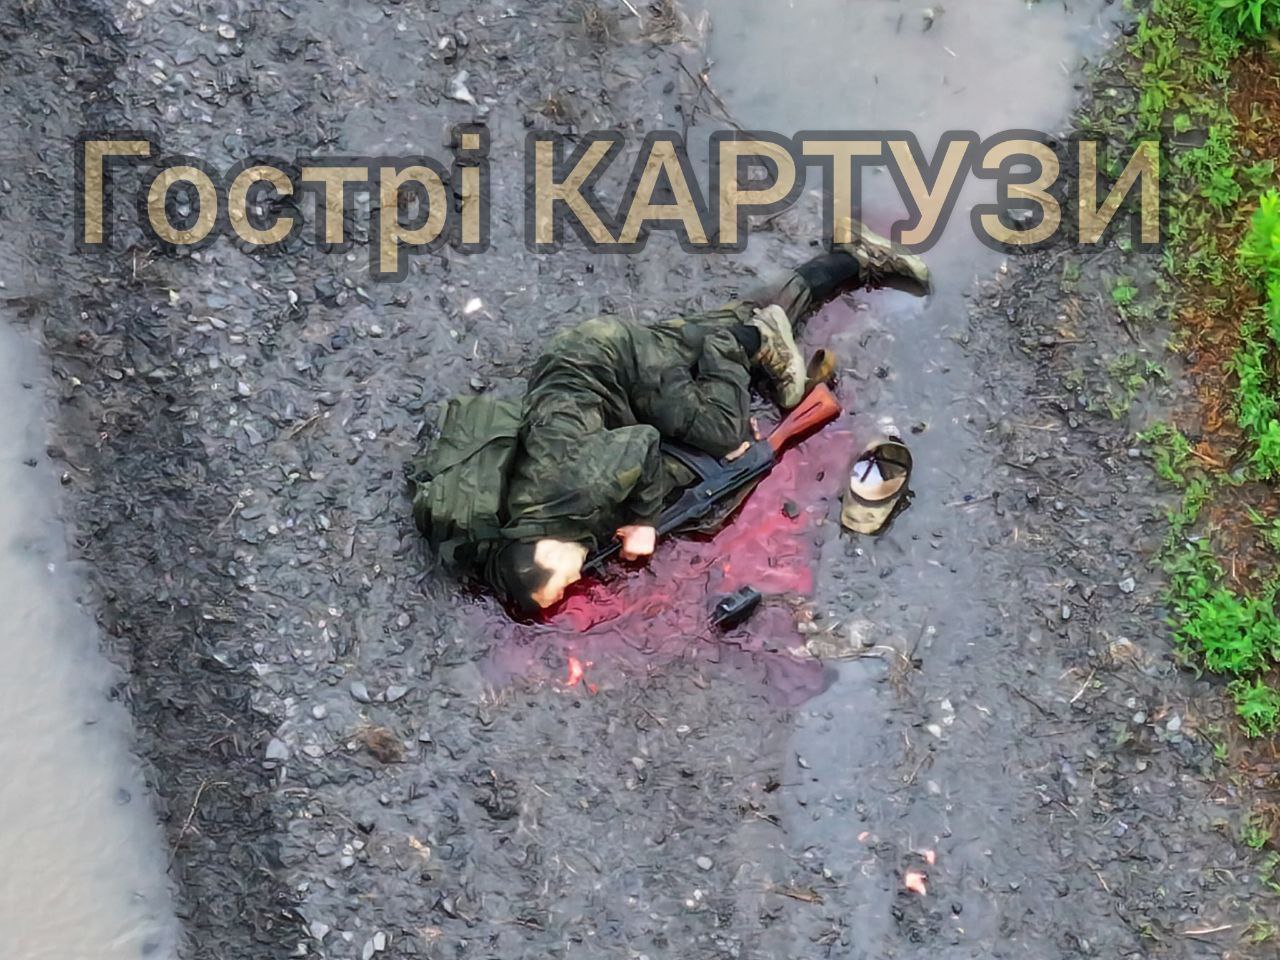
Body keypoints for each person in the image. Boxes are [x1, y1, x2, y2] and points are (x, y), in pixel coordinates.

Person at [484, 223, 930, 612]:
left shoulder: (576, 486)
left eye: (560, 586)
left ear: (547, 554)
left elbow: (642, 442)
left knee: (721, 431)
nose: (570, 587)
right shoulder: (531, 515)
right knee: (720, 326)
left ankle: (748, 342)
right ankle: (849, 258)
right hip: (593, 369)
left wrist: (642, 522)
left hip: (610, 361)